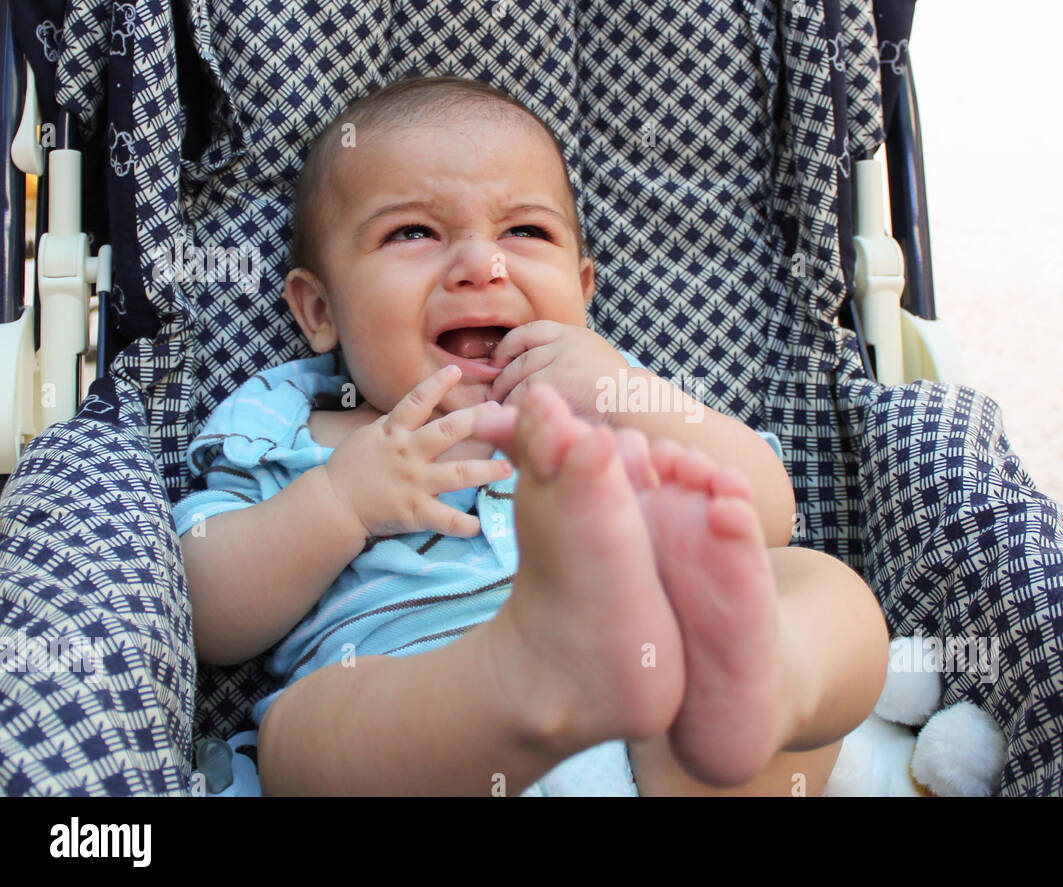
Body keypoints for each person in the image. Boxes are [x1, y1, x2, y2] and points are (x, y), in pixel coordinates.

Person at [174, 75, 890, 796]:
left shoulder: (615, 397)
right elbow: (204, 605)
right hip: (429, 747)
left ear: (582, 291)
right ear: (319, 308)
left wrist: (624, 391)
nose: (483, 267)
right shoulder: (291, 425)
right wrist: (341, 502)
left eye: (524, 232)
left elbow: (769, 511)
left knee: (827, 589)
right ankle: (514, 681)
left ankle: (764, 682)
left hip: (659, 738)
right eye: (413, 232)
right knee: (301, 732)